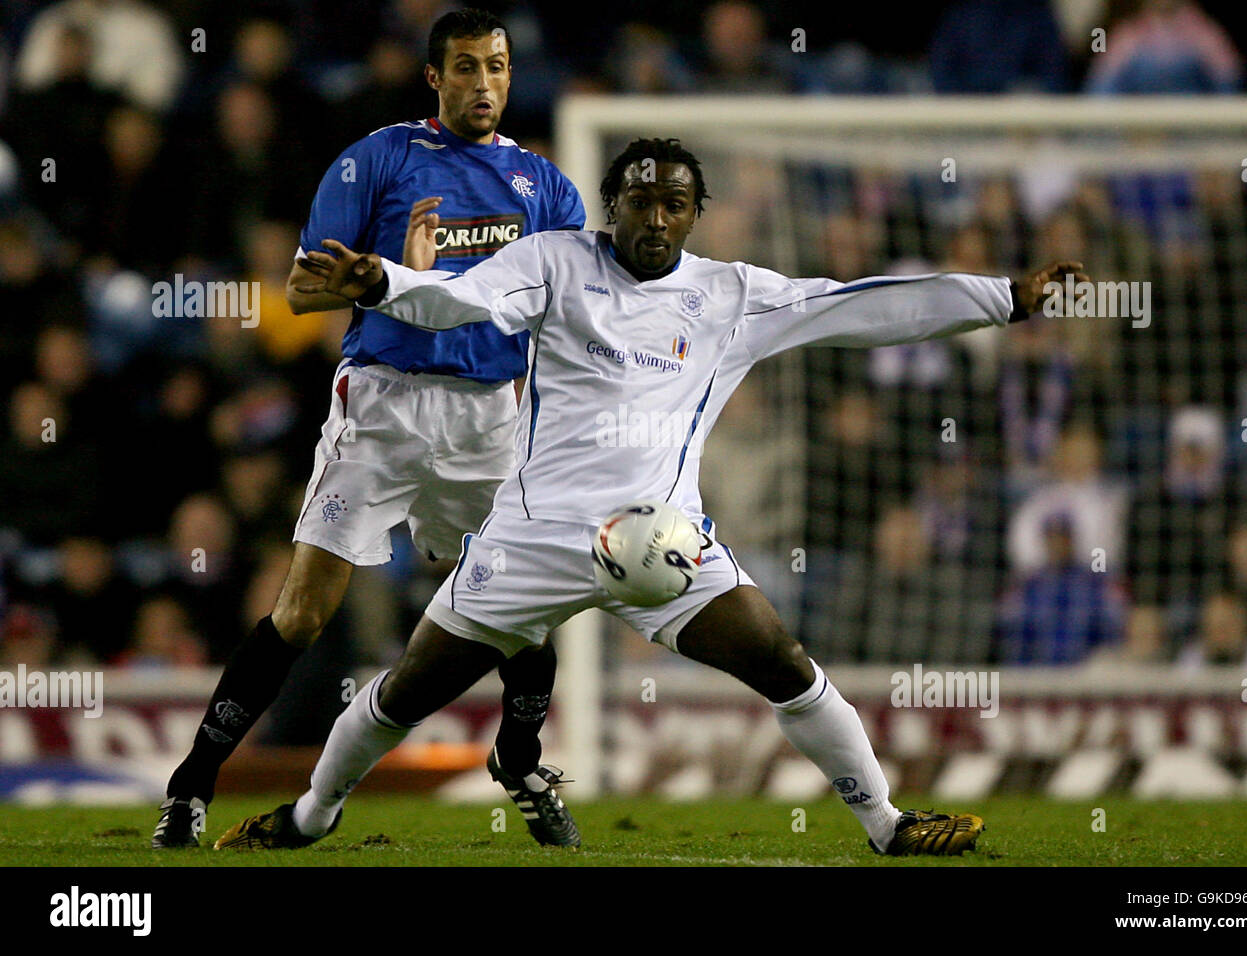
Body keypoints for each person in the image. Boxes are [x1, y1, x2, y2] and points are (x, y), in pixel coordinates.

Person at [216, 137, 1086, 856]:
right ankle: (308, 817)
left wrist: (1003, 297)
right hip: (532, 539)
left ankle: (889, 826)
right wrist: (384, 285)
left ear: (693, 214)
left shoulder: (728, 296)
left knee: (783, 660)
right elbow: (465, 301)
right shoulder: (554, 262)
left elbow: (863, 309)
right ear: (613, 206)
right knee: (407, 691)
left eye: (674, 203)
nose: (656, 217)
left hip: (663, 547)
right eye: (640, 200)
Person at [153, 9, 585, 850]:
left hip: (492, 415)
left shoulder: (546, 187)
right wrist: (386, 279)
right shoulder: (380, 157)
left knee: (528, 612)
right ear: (436, 77)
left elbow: (568, 309)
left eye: (496, 67)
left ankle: (520, 759)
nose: (484, 84)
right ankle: (190, 786)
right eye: (465, 67)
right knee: (303, 612)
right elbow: (303, 289)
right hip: (384, 405)